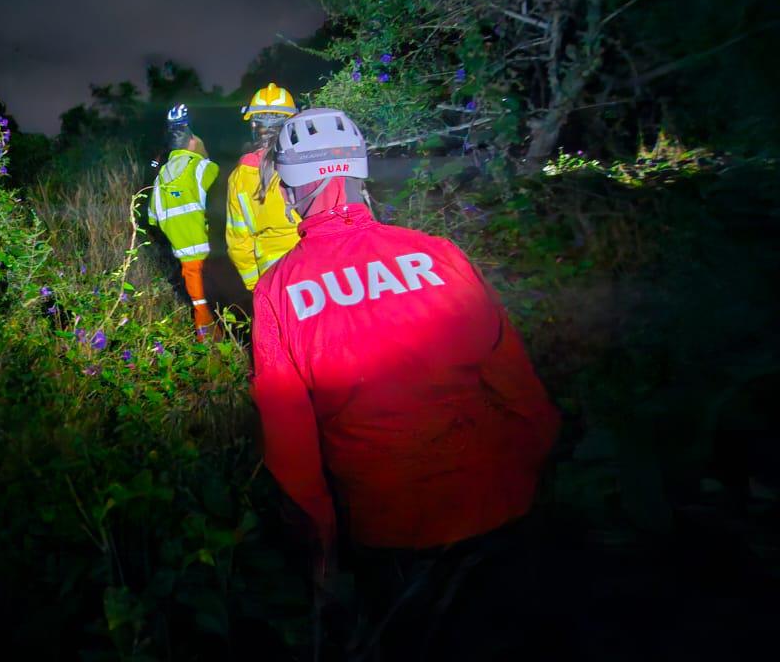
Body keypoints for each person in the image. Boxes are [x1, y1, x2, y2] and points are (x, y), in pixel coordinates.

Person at [250, 107, 561, 642]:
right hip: (504, 511)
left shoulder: (279, 292)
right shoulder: (439, 255)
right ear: (360, 176)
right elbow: (521, 392)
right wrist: (537, 483)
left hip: (393, 535)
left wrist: (323, 561)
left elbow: (291, 454)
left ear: (287, 192)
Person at [147, 104, 219, 337]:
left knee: (201, 309)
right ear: (192, 141)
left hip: (187, 261)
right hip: (215, 257)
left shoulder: (160, 180)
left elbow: (153, 218)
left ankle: (209, 360)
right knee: (226, 309)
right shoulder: (203, 168)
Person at [225, 82, 300, 291]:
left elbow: (238, 241)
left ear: (253, 126)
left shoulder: (239, 177)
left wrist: (254, 285)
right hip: (315, 269)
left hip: (271, 277)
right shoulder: (308, 163)